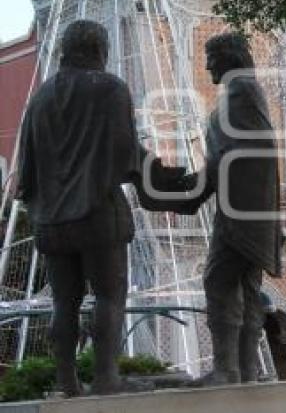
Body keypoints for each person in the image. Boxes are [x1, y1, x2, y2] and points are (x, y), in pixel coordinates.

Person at [16, 20, 185, 396]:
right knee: (110, 294)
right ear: (98, 50)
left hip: (50, 221)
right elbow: (125, 152)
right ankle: (106, 376)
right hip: (96, 212)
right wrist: (163, 175)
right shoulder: (109, 88)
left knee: (64, 301)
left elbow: (25, 168)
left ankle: (66, 380)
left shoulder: (40, 98)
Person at [173, 33, 282, 384]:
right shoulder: (244, 92)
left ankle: (227, 369)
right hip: (251, 210)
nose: (207, 65)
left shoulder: (242, 92)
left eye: (213, 56)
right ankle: (245, 371)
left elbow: (234, 153)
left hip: (242, 212)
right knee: (247, 289)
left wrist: (196, 191)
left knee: (218, 281)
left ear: (231, 57)